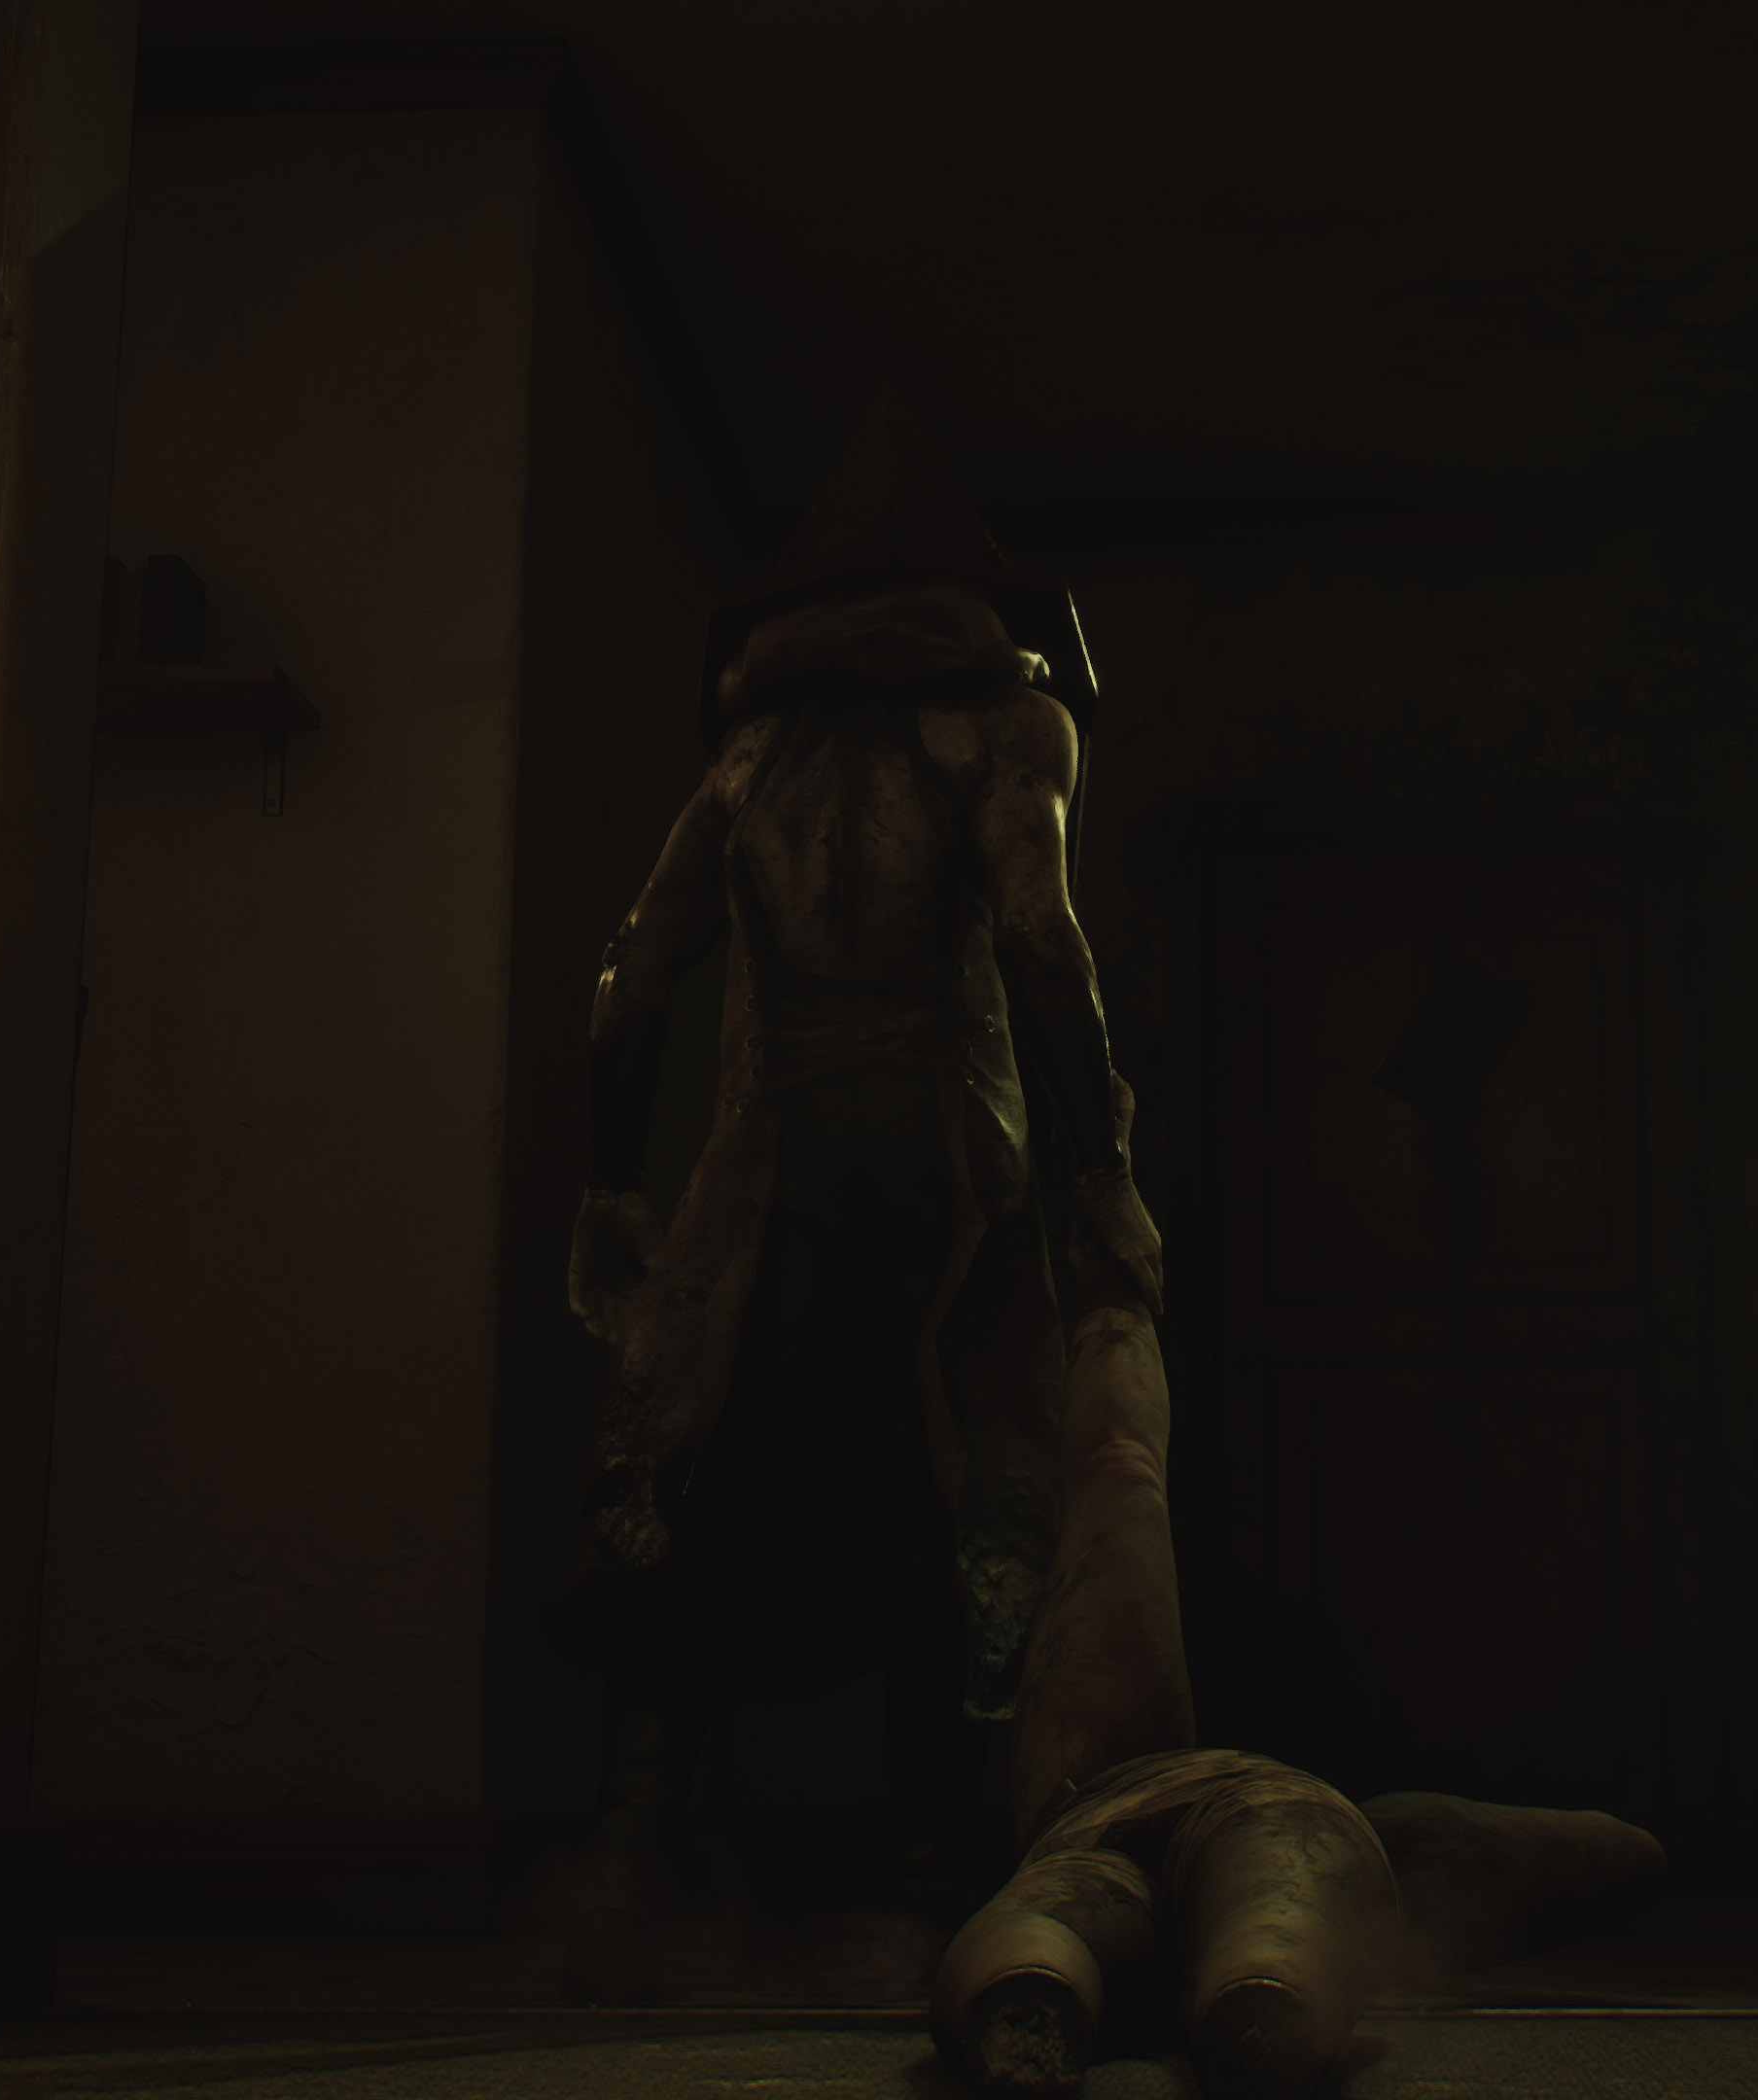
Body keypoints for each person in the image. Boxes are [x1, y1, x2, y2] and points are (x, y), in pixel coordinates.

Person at [551, 406, 1163, 1999]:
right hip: (945, 1144)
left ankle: (630, 1845)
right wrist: (1100, 1174)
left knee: (700, 1465)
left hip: (771, 1156)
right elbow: (1040, 938)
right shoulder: (1009, 729)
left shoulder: (750, 758)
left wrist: (612, 1187)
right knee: (951, 1477)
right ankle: (920, 1872)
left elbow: (631, 980)